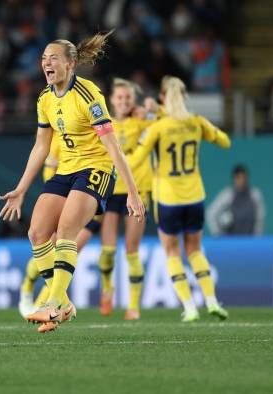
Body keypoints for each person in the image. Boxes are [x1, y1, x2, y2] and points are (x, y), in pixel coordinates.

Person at [0, 31, 146, 333]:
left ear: (71, 63)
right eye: (43, 59)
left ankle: (52, 305)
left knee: (66, 230)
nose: (46, 63)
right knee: (38, 232)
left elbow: (112, 145)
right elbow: (41, 145)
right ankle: (62, 301)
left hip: (97, 168)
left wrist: (132, 192)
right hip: (66, 169)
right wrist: (22, 189)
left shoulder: (89, 95)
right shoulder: (45, 98)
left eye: (53, 58)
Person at [127, 76, 231, 322]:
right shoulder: (196, 122)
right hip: (195, 195)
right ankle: (212, 301)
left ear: (163, 98)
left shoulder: (158, 128)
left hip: (169, 199)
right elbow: (225, 141)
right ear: (184, 97)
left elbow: (136, 160)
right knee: (195, 249)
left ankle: (190, 307)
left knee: (172, 252)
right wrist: (211, 133)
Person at [18, 131, 102, 318]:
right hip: (67, 196)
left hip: (89, 191)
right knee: (50, 245)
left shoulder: (95, 127)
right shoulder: (57, 138)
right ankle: (30, 285)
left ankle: (49, 304)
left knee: (69, 246)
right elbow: (49, 176)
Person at [97, 78, 154, 321]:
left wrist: (152, 110)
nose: (123, 101)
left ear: (134, 101)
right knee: (108, 250)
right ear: (111, 99)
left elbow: (162, 125)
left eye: (128, 98)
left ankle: (133, 306)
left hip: (138, 191)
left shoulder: (141, 122)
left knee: (132, 251)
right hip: (110, 190)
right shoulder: (102, 124)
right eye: (119, 97)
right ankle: (107, 289)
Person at [207, 165, 265, 236]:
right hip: (231, 242)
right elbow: (211, 213)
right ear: (234, 179)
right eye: (238, 178)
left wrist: (257, 238)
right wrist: (217, 234)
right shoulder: (227, 195)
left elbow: (260, 219)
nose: (242, 180)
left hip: (250, 241)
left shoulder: (255, 195)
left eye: (244, 177)